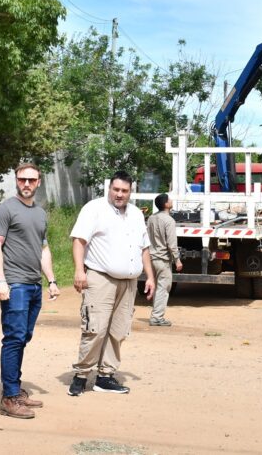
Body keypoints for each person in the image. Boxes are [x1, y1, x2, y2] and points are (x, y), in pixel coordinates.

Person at [68, 170, 154, 396]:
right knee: (94, 328)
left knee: (118, 330)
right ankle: (81, 375)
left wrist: (150, 276)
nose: (119, 194)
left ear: (130, 192)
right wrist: (79, 270)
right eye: (116, 189)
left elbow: (144, 247)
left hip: (129, 283)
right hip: (100, 279)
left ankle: (105, 376)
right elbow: (79, 241)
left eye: (124, 191)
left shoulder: (136, 214)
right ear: (109, 188)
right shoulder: (94, 209)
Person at [0, 162, 61, 419]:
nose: (27, 184)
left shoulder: (40, 214)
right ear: (16, 181)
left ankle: (15, 389)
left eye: (31, 180)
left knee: (23, 337)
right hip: (15, 284)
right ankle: (9, 398)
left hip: (33, 285)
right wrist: (0, 280)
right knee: (14, 338)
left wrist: (51, 280)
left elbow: (43, 250)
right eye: (22, 180)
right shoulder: (5, 210)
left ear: (38, 181)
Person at [147, 193, 183, 326]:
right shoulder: (169, 221)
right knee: (163, 288)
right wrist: (177, 260)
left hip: (152, 258)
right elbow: (171, 243)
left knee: (157, 287)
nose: (171, 200)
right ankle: (157, 317)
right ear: (166, 204)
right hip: (163, 260)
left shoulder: (151, 218)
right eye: (170, 199)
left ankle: (155, 315)